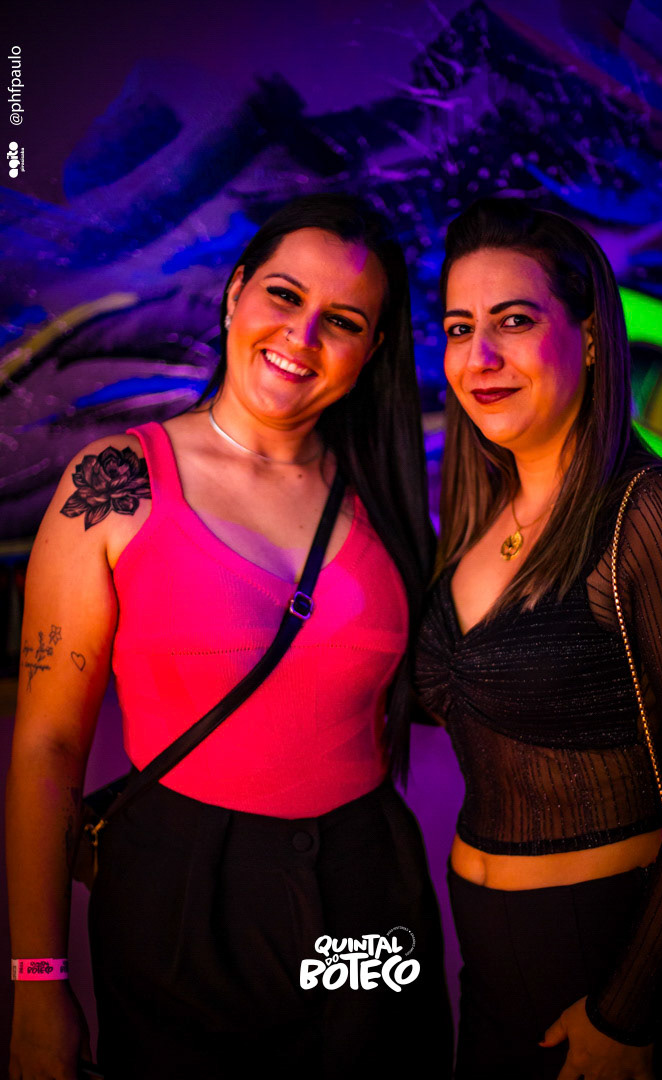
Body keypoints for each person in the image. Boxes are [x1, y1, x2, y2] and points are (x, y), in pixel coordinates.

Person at [7, 194, 453, 1080]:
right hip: (184, 897)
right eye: (284, 295)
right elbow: (47, 746)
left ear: (371, 351)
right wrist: (36, 985)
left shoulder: (391, 499)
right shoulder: (116, 483)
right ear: (236, 292)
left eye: (344, 321)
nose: (302, 335)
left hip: (368, 897)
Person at [414, 197, 662, 1079]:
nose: (480, 357)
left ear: (588, 338)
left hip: (615, 961)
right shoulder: (472, 526)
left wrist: (627, 1010)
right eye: (460, 328)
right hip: (485, 966)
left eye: (514, 321)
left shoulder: (656, 512)